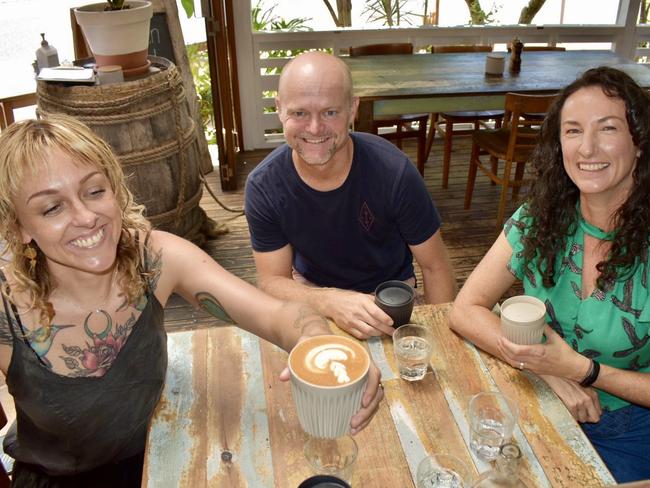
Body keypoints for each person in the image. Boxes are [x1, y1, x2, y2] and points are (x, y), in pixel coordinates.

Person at [0, 114, 383, 487]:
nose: (86, 217)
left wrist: (322, 343)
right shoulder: (6, 311)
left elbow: (278, 315)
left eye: (94, 190)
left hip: (161, 457)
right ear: (19, 227)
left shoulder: (156, 258)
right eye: (52, 207)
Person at [449, 66, 650, 483]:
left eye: (607, 128)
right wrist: (547, 370)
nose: (587, 148)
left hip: (630, 428)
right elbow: (465, 309)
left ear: (640, 142)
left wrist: (581, 370)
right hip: (536, 399)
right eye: (573, 131)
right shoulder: (538, 218)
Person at [244, 51, 456, 340]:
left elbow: (436, 266)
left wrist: (441, 342)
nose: (315, 128)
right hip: (311, 292)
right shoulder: (263, 186)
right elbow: (271, 280)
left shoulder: (394, 172)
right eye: (299, 113)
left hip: (390, 296)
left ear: (352, 109)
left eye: (330, 112)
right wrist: (330, 301)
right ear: (280, 109)